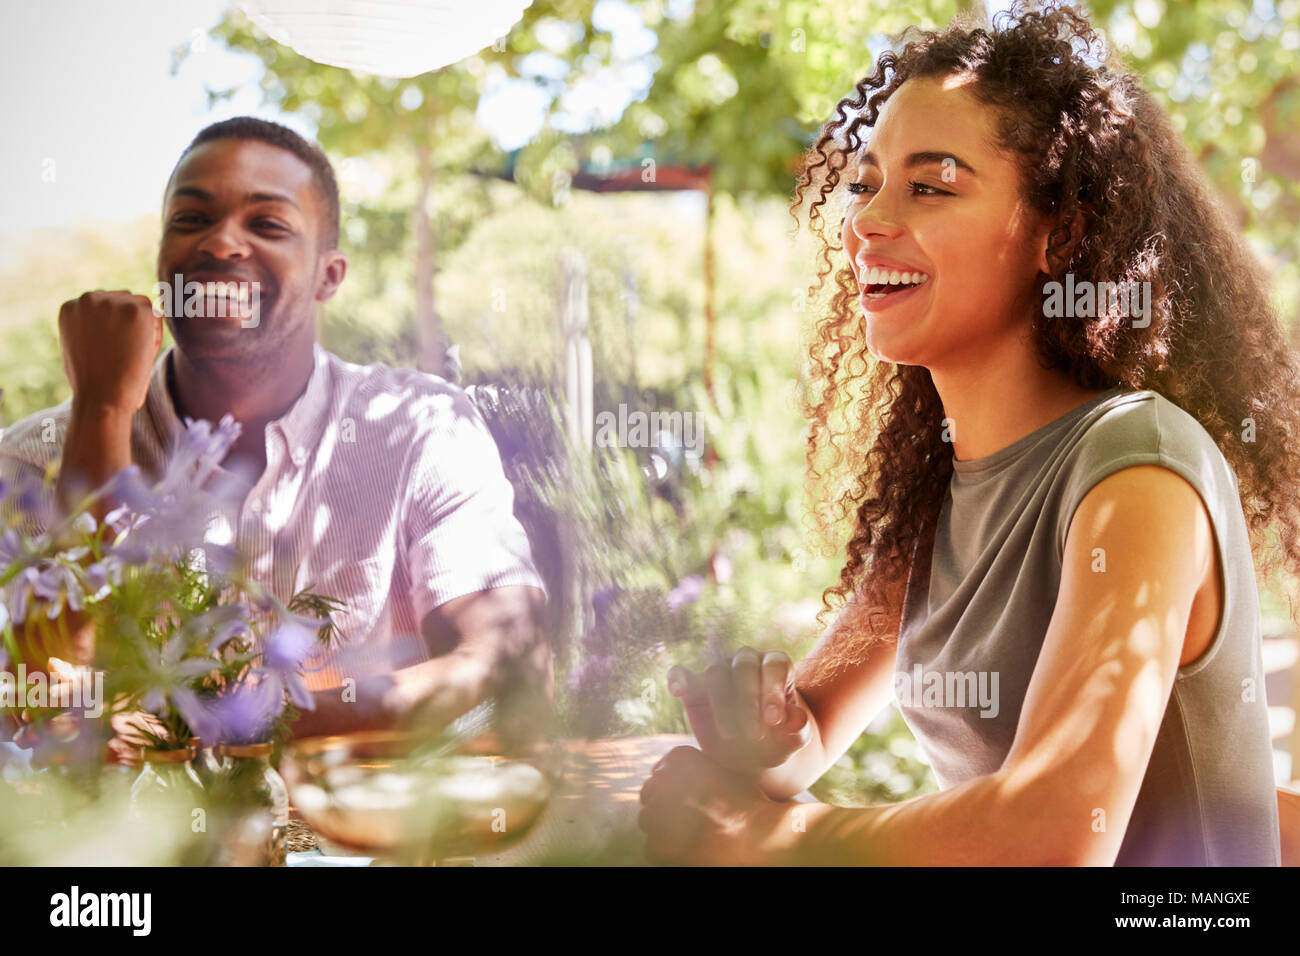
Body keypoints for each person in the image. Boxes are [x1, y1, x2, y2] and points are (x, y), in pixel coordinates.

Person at [639, 2, 1298, 866]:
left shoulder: (1140, 468)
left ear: (1058, 235)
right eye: (868, 181)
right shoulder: (941, 483)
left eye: (931, 184)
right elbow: (812, 739)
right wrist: (768, 739)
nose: (868, 218)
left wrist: (778, 838)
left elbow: (1056, 837)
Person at [0, 117, 550, 760]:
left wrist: (220, 726)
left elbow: (506, 662)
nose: (221, 243)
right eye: (190, 219)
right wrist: (100, 413)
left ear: (328, 276)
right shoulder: (31, 458)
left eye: (267, 224)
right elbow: (48, 696)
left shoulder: (421, 428)